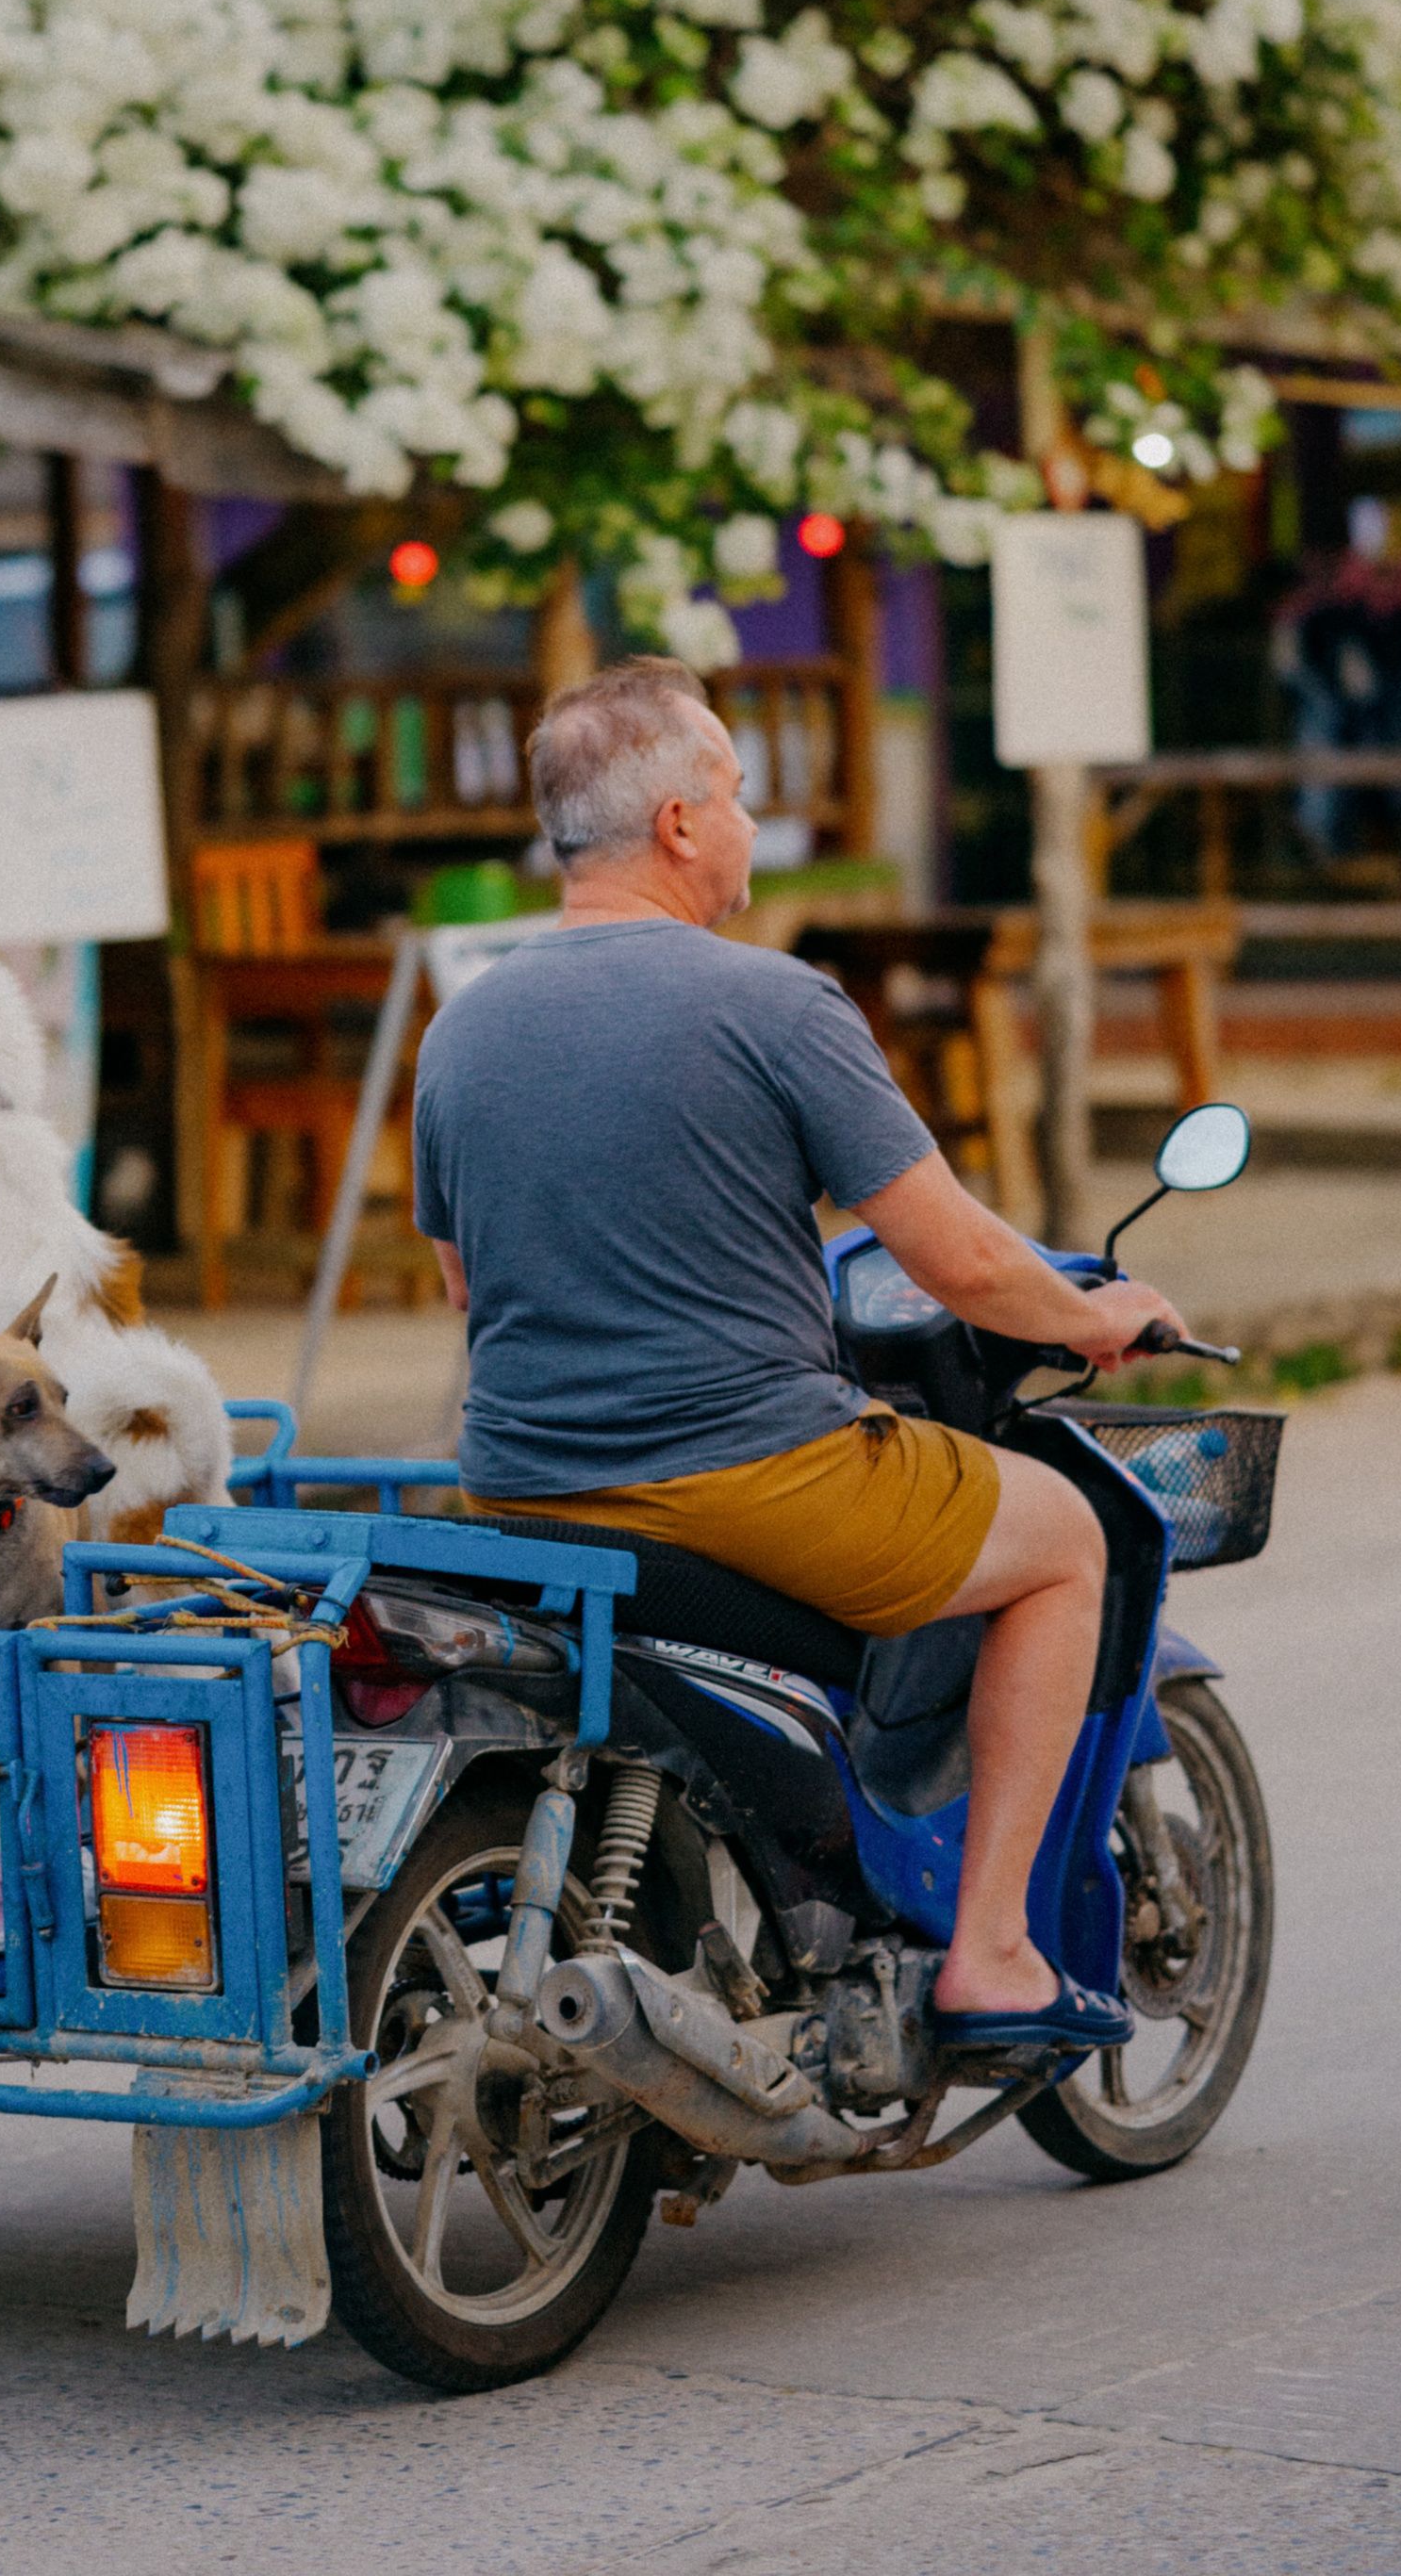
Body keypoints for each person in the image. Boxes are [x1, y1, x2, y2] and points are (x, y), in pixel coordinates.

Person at [411, 657, 1182, 2046]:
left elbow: (468, 1287)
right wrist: (1094, 1314)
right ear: (678, 825)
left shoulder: (458, 1031)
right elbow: (960, 1262)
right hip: (743, 1482)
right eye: (737, 794)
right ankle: (994, 1951)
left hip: (519, 1489)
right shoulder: (778, 1005)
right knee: (1068, 1539)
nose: (751, 825)